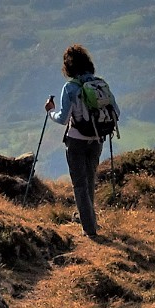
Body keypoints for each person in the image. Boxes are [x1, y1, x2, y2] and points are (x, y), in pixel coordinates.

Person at [45, 43, 105, 239]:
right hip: (97, 138)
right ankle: (88, 218)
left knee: (79, 184)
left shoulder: (70, 88)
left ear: (68, 66)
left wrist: (50, 112)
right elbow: (116, 112)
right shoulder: (99, 84)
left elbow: (63, 118)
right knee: (90, 180)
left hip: (77, 140)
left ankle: (89, 229)